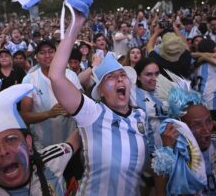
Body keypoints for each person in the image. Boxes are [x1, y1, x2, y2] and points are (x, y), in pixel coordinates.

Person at [49, 12, 149, 195]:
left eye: (122, 75)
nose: (119, 79)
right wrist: (76, 24)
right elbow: (56, 77)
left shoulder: (141, 116)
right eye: (111, 77)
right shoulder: (92, 113)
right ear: (100, 91)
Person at [20, 40, 82, 150]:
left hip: (70, 144)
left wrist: (70, 110)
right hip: (42, 146)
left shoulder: (71, 76)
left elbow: (82, 105)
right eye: (42, 52)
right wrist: (49, 113)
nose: (47, 56)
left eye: (51, 51)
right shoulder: (29, 80)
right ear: (36, 57)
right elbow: (25, 116)